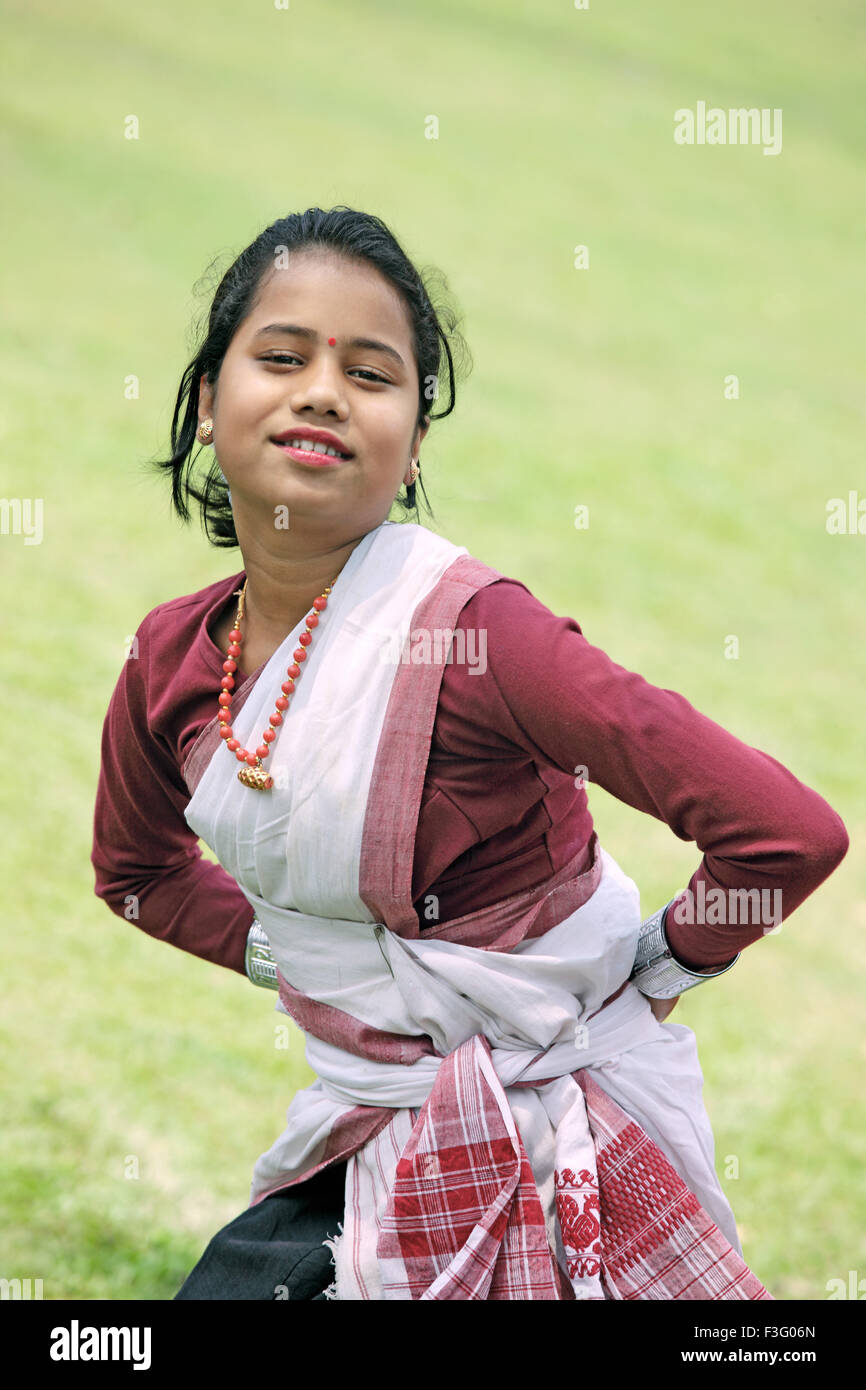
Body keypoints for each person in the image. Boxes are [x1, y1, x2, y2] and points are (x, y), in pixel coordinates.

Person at [91, 207, 849, 1301]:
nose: (320, 392)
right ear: (207, 403)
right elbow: (137, 874)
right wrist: (297, 963)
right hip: (365, 1116)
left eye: (369, 372)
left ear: (411, 447)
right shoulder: (170, 656)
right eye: (280, 356)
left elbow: (783, 833)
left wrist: (660, 966)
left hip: (565, 1138)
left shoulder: (476, 635)